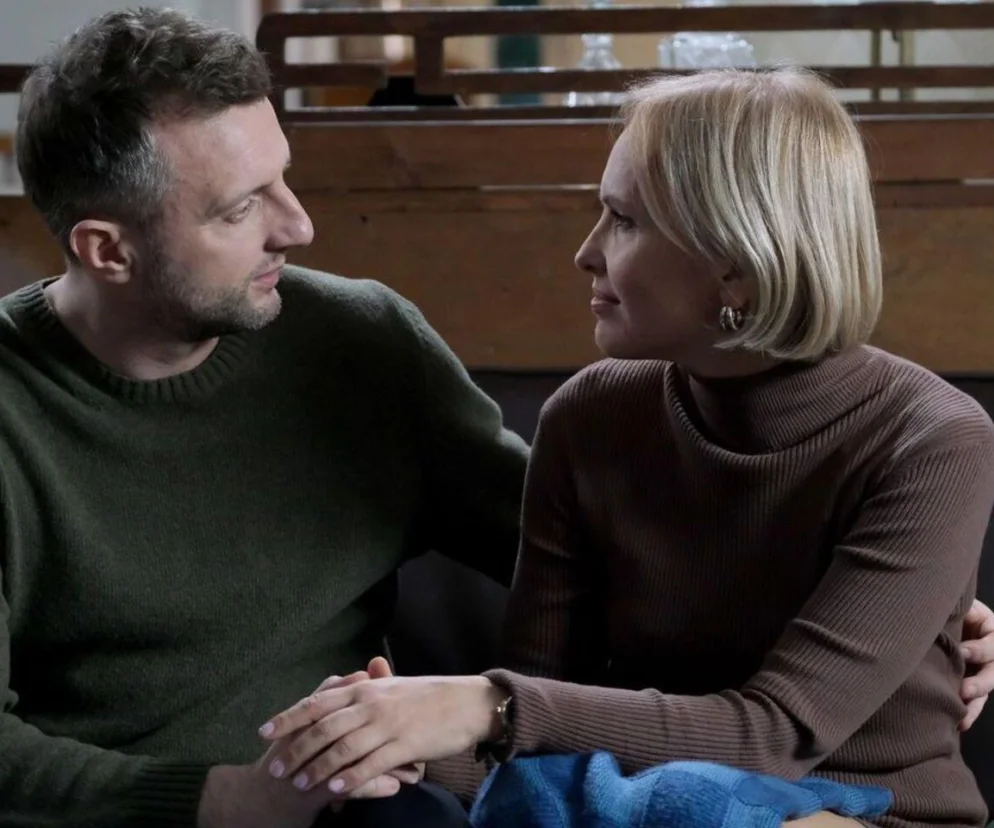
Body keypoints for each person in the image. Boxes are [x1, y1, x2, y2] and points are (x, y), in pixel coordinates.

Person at [260, 68, 994, 828]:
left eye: (624, 221)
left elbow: (774, 735)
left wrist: (483, 705)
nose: (586, 252)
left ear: (738, 265)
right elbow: (536, 737)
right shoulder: (591, 416)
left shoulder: (933, 441)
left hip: (864, 813)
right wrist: (385, 737)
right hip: (637, 800)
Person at [0, 8, 529, 828]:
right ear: (108, 251)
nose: (298, 225)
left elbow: (567, 554)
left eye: (283, 177)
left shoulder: (364, 339)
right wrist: (230, 801)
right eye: (240, 208)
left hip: (362, 812)